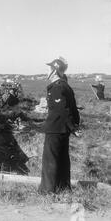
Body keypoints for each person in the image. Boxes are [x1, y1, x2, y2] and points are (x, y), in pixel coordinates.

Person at [38, 57, 80, 194]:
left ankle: (47, 191)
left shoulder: (57, 87)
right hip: (63, 129)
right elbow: (72, 109)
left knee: (50, 160)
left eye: (48, 69)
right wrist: (74, 126)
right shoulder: (65, 86)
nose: (46, 71)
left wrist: (73, 127)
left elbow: (63, 110)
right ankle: (63, 188)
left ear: (54, 71)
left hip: (55, 128)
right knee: (62, 159)